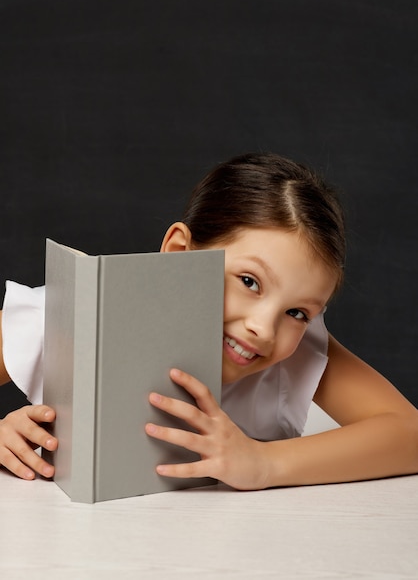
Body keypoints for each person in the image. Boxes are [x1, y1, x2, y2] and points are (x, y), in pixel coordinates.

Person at [1, 152, 418, 489]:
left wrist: (262, 463)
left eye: (297, 312)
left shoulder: (294, 353)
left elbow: (409, 433)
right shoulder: (63, 321)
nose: (264, 328)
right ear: (180, 252)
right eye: (249, 281)